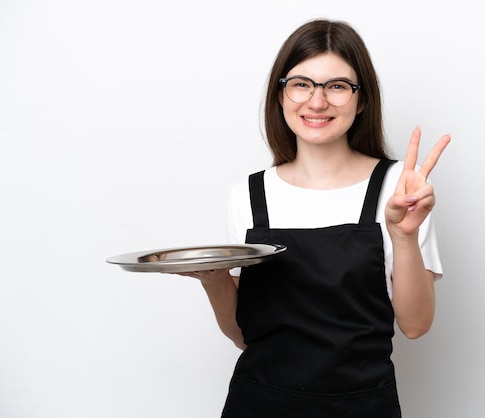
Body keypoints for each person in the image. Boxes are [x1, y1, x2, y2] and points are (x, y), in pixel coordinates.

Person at [180, 18, 450, 417]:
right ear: (281, 95)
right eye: (302, 84)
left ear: (362, 101)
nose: (317, 101)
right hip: (259, 404)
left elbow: (415, 325)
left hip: (362, 407)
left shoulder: (400, 188)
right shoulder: (248, 196)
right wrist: (215, 282)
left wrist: (403, 235)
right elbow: (246, 338)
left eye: (337, 86)